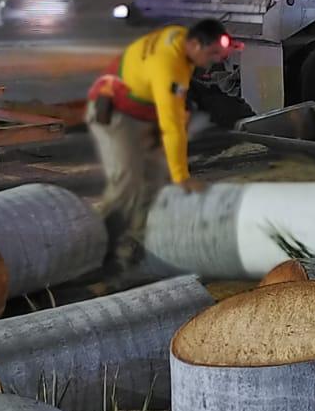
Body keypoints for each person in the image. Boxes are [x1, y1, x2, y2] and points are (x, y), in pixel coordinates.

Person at [86, 19, 233, 260]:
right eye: (212, 53)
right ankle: (103, 247)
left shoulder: (179, 37)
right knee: (127, 179)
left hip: (140, 110)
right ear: (196, 44)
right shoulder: (169, 67)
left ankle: (136, 239)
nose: (216, 59)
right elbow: (171, 127)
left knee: (154, 176)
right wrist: (182, 177)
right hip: (114, 111)